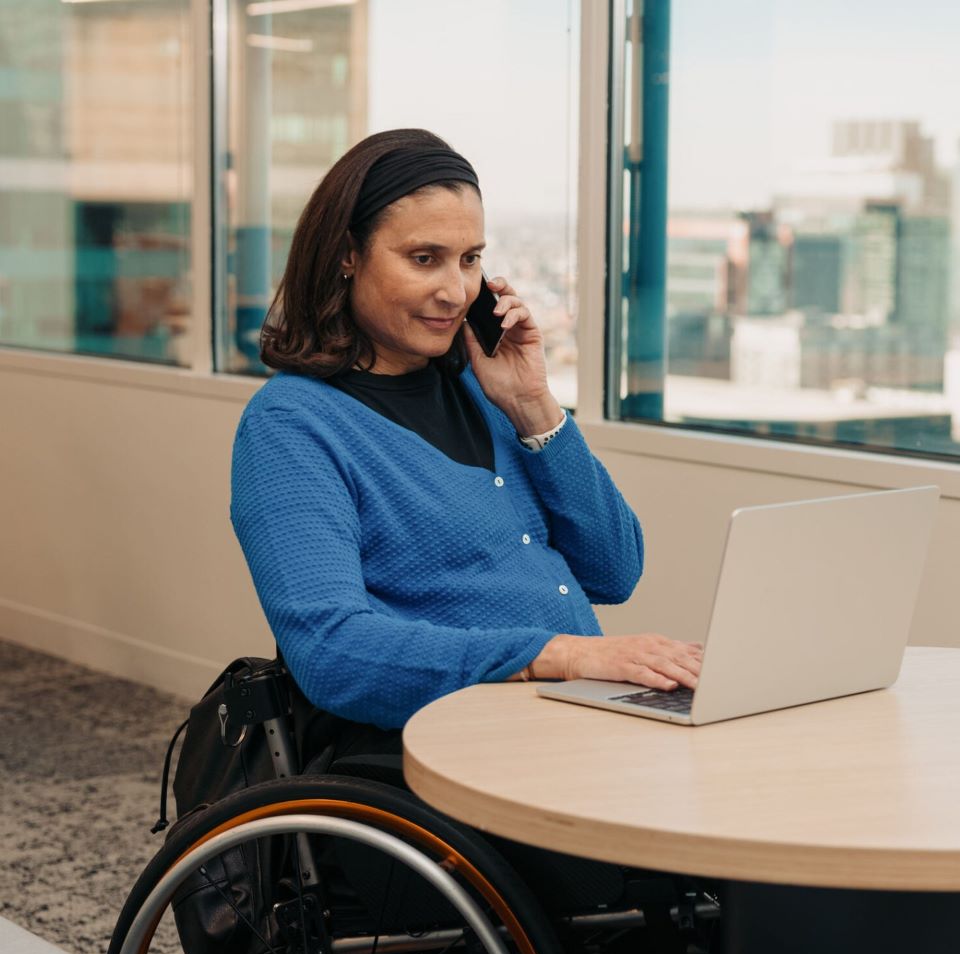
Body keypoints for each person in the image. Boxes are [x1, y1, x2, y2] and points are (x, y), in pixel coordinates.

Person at [230, 127, 701, 747]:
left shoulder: (489, 391)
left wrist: (535, 407)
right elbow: (331, 650)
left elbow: (615, 571)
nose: (456, 292)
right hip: (451, 750)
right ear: (348, 254)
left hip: (569, 723)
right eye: (424, 259)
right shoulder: (293, 425)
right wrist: (557, 656)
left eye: (471, 259)